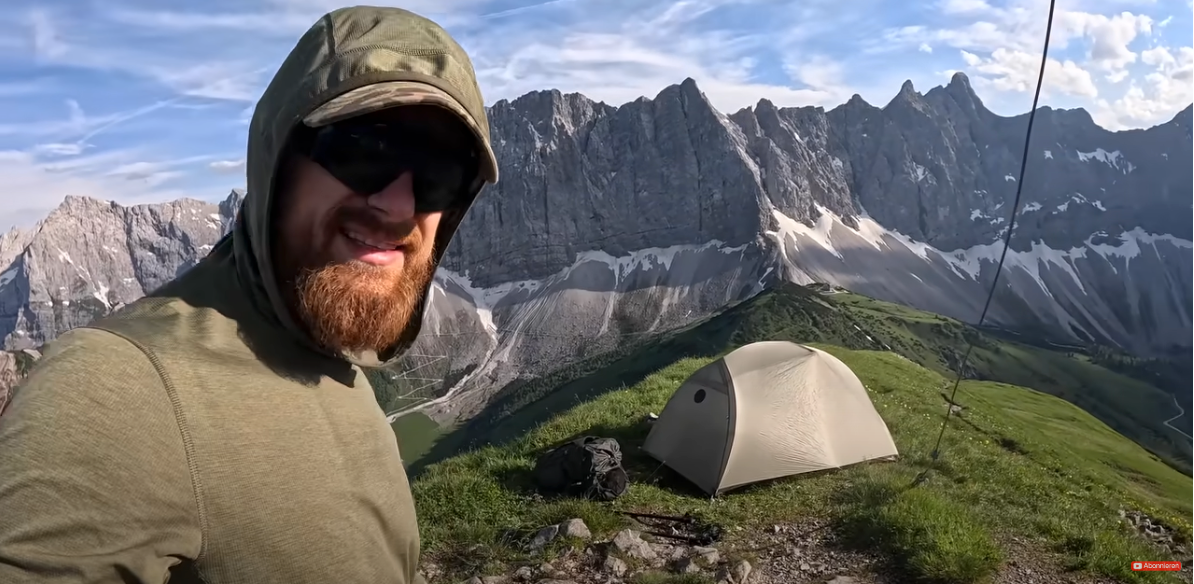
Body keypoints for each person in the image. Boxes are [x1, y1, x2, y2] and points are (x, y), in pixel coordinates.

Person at [0, 6, 498, 584]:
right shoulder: (113, 383)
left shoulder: (327, 340)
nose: (398, 205)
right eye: (365, 150)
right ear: (277, 159)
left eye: (440, 173)